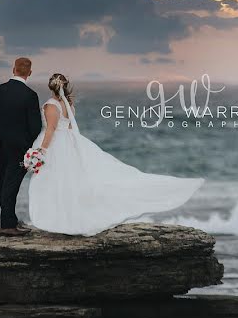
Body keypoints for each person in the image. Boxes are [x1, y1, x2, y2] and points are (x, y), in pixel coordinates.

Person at [28, 73, 203, 236]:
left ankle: (59, 220)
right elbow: (70, 128)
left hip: (57, 145)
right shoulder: (69, 105)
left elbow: (51, 130)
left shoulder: (51, 105)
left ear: (51, 87)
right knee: (66, 181)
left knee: (55, 181)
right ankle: (64, 219)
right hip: (69, 143)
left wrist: (42, 151)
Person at [0, 57, 41, 237]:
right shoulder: (30, 95)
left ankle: (9, 221)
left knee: (5, 182)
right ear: (29, 73)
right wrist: (29, 147)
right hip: (19, 148)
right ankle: (7, 225)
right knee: (11, 184)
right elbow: (35, 127)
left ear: (13, 69)